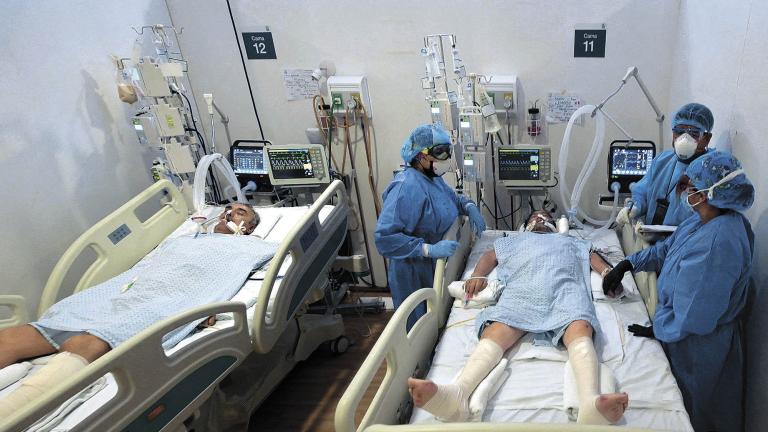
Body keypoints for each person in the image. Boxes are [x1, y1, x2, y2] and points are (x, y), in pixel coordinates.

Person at [0, 203, 265, 417]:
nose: (230, 212)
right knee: (13, 337)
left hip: (163, 297)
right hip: (123, 290)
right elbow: (149, 266)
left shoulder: (250, 246)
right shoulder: (184, 240)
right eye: (228, 208)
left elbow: (224, 276)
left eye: (241, 212)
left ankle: (9, 414)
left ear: (249, 227)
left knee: (90, 341)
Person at [408, 210, 628, 424]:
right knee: (496, 330)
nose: (541, 218)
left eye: (546, 217)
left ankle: (590, 402)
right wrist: (477, 275)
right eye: (535, 216)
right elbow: (490, 256)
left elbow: (593, 259)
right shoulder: (511, 241)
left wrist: (609, 275)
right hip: (522, 291)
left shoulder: (572, 241)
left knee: (580, 326)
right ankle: (458, 394)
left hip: (565, 290)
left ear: (555, 224)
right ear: (526, 225)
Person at [604, 151, 754, 432]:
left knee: (699, 416)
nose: (686, 193)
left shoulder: (718, 244)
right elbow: (668, 248)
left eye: (692, 188)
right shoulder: (703, 219)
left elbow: (694, 317)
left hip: (700, 346)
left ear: (709, 193)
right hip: (684, 332)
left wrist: (659, 328)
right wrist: (628, 263)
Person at [375, 124, 486, 329]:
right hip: (412, 271)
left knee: (434, 323)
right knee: (418, 328)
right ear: (420, 155)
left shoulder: (432, 179)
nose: (443, 159)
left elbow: (451, 199)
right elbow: (384, 238)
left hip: (435, 267)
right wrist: (427, 249)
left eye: (446, 151)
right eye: (438, 152)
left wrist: (469, 206)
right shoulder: (405, 187)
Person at [616, 103, 714, 227]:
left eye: (694, 134)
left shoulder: (710, 171)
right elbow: (642, 191)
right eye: (679, 132)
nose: (685, 139)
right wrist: (634, 207)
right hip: (651, 236)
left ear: (706, 138)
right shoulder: (662, 160)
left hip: (681, 243)